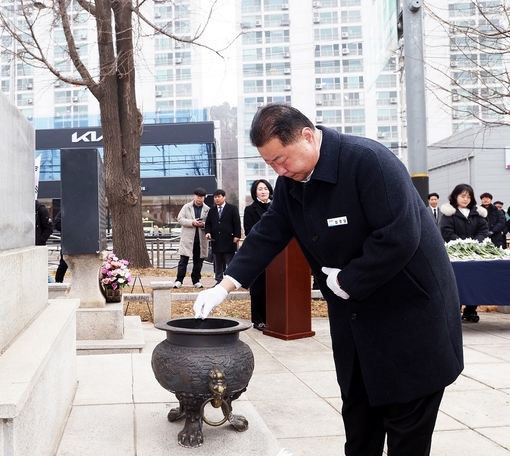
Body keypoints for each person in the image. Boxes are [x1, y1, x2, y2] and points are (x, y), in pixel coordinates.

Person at [193, 104, 463, 456]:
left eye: (280, 159)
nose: (277, 170)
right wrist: (224, 285)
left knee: (405, 429)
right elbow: (268, 234)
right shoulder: (292, 183)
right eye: (270, 163)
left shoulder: (368, 161)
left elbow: (399, 236)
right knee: (359, 423)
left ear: (307, 136)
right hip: (356, 326)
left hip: (409, 318)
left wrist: (349, 280)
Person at [439, 184, 490, 323]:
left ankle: (470, 310)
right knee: (457, 282)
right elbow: (447, 232)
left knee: (474, 282)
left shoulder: (477, 213)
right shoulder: (449, 214)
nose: (466, 199)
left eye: (468, 197)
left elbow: (483, 230)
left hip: (475, 253)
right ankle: (456, 309)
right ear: (455, 196)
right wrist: (462, 244)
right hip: (456, 254)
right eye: (463, 196)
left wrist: (474, 243)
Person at [242, 179, 273, 331]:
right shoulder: (250, 209)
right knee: (259, 288)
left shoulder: (277, 207)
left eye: (266, 188)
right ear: (255, 192)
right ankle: (259, 320)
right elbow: (248, 230)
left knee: (275, 287)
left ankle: (274, 318)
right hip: (258, 252)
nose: (263, 191)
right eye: (260, 189)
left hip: (278, 254)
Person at [173, 188, 210, 289]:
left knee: (198, 262)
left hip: (200, 239)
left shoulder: (207, 209)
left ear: (204, 198)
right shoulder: (186, 207)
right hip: (188, 239)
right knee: (183, 261)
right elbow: (180, 219)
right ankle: (179, 280)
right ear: (194, 196)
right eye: (198, 197)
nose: (199, 199)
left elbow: (210, 224)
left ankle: (196, 280)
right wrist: (192, 222)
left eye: (201, 197)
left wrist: (202, 224)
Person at [204, 189, 241, 283]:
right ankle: (219, 280)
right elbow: (208, 223)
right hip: (216, 240)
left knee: (230, 262)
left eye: (219, 197)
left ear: (224, 197)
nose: (217, 199)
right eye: (215, 197)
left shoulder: (232, 208)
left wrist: (237, 235)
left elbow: (236, 223)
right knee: (217, 262)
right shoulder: (211, 211)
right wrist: (208, 232)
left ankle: (232, 281)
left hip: (229, 239)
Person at [53, 211, 69, 282]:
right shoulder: (64, 211)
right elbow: (57, 225)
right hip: (67, 242)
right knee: (63, 264)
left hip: (79, 241)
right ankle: (58, 282)